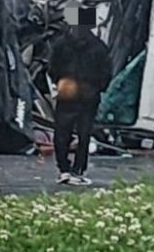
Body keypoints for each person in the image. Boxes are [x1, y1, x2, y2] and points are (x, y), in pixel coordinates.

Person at [47, 25, 112, 186]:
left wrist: (59, 81)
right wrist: (99, 86)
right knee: (84, 132)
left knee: (62, 131)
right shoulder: (98, 46)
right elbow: (106, 71)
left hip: (67, 88)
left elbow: (52, 67)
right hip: (89, 90)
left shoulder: (61, 43)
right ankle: (78, 170)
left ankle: (63, 169)